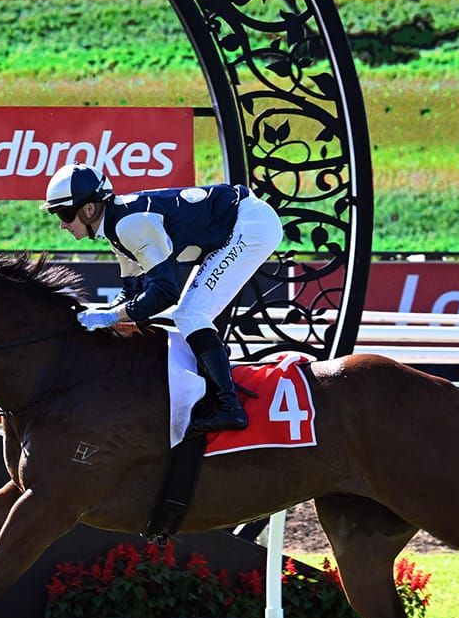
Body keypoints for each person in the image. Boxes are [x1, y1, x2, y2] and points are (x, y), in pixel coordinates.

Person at [41, 163, 284, 436]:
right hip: (239, 221)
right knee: (188, 315)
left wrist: (110, 316)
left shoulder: (129, 225)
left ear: (89, 209)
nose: (62, 224)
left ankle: (230, 407)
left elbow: (165, 292)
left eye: (64, 213)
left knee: (190, 315)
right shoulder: (115, 227)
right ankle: (213, 394)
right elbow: (131, 293)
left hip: (250, 226)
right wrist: (96, 316)